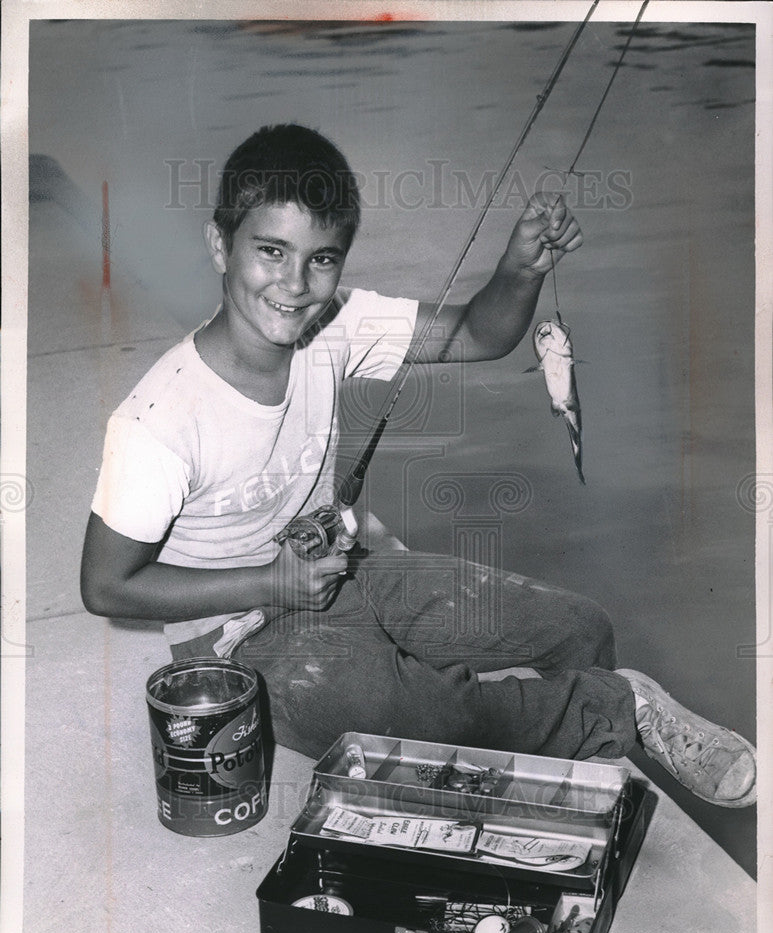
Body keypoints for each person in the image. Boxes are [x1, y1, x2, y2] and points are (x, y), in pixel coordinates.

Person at [80, 124, 756, 808]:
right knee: (427, 724)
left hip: (342, 574)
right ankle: (616, 711)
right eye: (271, 252)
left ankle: (570, 743)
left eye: (321, 259)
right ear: (220, 244)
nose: (293, 283)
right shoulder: (157, 420)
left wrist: (520, 267)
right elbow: (106, 587)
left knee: (578, 627)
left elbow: (481, 333)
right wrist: (271, 582)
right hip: (235, 636)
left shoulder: (333, 324)